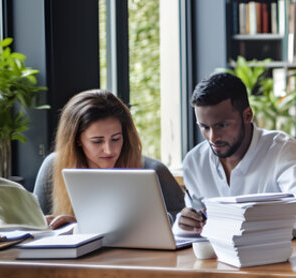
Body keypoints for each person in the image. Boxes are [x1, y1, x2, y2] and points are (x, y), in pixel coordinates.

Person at [173, 73, 296, 237]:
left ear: (248, 115)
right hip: (215, 260)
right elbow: (193, 228)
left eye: (222, 125)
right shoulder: (195, 161)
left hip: (274, 259)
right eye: (204, 127)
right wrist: (182, 224)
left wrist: (252, 230)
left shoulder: (281, 149)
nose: (213, 137)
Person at [33, 89, 184, 229]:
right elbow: (35, 224)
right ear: (77, 140)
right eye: (97, 141)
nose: (109, 150)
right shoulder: (53, 167)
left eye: (116, 139)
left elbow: (184, 225)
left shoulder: (154, 170)